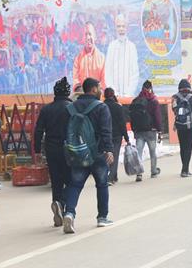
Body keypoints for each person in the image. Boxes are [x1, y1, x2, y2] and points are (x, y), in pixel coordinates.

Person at [62, 78, 114, 233]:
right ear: (93, 89)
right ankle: (102, 217)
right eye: (99, 87)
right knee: (102, 184)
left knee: (75, 184)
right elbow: (106, 131)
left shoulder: (71, 107)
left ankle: (69, 213)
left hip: (78, 152)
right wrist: (109, 150)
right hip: (97, 153)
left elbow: (65, 130)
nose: (101, 90)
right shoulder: (101, 107)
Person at [34, 77, 73, 227]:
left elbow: (38, 131)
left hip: (51, 149)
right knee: (70, 180)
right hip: (69, 149)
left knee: (56, 180)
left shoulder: (46, 109)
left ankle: (56, 202)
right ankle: (65, 208)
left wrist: (37, 150)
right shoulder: (72, 107)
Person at [130, 80, 163, 182]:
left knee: (139, 152)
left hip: (139, 131)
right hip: (151, 131)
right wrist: (159, 130)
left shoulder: (136, 101)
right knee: (152, 152)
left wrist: (134, 129)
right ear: (150, 89)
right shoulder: (153, 101)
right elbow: (157, 117)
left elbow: (131, 116)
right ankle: (153, 171)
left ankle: (139, 174)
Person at [104, 13, 139, 97]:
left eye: (123, 26)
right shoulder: (111, 46)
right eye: (119, 26)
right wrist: (114, 93)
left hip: (129, 97)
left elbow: (135, 73)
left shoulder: (132, 47)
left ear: (127, 28)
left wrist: (128, 93)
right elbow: (108, 72)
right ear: (115, 28)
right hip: (114, 97)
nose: (121, 29)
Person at [171, 80, 192, 177]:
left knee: (182, 147)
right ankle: (185, 170)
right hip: (191, 126)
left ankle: (184, 168)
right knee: (188, 148)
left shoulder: (174, 98)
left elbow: (174, 110)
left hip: (179, 125)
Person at [102, 88, 130, 184]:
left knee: (107, 155)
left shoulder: (101, 106)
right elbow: (122, 123)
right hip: (116, 135)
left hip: (104, 135)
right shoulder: (118, 107)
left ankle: (114, 176)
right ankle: (110, 178)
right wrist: (126, 138)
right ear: (113, 95)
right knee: (115, 155)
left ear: (104, 95)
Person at [72, 22, 105, 90]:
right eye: (85, 34)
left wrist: (95, 92)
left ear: (95, 36)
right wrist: (83, 93)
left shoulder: (102, 58)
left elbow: (104, 81)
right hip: (82, 97)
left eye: (90, 34)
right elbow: (76, 81)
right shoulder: (78, 59)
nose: (88, 37)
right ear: (83, 38)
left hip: (97, 97)